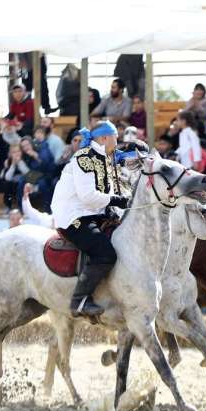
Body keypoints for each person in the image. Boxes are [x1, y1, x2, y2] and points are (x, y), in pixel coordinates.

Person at [50, 121, 132, 317]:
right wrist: (116, 200)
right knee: (105, 253)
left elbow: (107, 191)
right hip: (74, 216)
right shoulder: (84, 158)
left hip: (94, 213)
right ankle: (79, 301)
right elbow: (88, 196)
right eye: (115, 136)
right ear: (104, 138)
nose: (118, 140)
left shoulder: (106, 158)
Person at [0, 143, 29, 211]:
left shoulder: (25, 159)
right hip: (13, 182)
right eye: (14, 152)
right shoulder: (8, 162)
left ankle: (22, 207)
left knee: (21, 184)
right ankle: (8, 206)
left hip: (24, 181)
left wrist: (19, 162)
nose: (16, 154)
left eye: (18, 151)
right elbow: (8, 178)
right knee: (7, 185)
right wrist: (13, 165)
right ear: (10, 154)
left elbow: (27, 173)